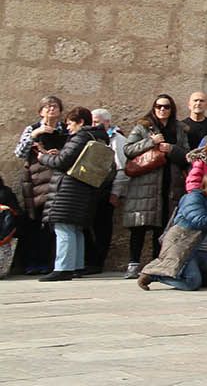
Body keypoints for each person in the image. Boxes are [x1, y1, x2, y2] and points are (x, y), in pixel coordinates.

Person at [136, 170, 207, 291]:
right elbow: (200, 222)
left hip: (204, 251)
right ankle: (154, 274)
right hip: (183, 246)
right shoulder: (193, 198)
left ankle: (196, 275)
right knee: (192, 283)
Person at [33, 107, 106, 282]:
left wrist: (43, 158)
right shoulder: (98, 136)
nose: (68, 128)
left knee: (63, 227)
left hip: (70, 189)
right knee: (75, 228)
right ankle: (76, 266)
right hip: (85, 188)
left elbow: (62, 161)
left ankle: (63, 268)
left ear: (80, 122)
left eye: (70, 123)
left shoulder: (81, 136)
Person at [122, 94, 183, 277]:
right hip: (144, 184)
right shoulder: (143, 126)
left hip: (169, 184)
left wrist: (171, 149)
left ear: (172, 109)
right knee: (139, 225)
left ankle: (157, 265)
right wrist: (151, 142)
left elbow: (186, 154)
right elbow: (128, 150)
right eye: (158, 106)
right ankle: (133, 265)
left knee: (163, 227)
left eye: (166, 107)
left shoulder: (179, 129)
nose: (162, 110)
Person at [14, 96, 66, 275]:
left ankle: (47, 263)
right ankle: (32, 262)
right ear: (40, 111)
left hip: (56, 180)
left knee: (52, 224)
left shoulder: (64, 129)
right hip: (35, 183)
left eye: (55, 107)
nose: (51, 109)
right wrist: (35, 135)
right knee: (34, 222)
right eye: (47, 107)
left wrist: (59, 153)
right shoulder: (32, 129)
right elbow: (20, 152)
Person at [88, 108, 127, 274]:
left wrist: (115, 193)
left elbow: (121, 168)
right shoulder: (90, 137)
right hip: (90, 189)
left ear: (107, 122)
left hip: (106, 190)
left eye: (97, 122)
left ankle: (97, 262)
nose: (93, 125)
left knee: (102, 227)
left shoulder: (117, 139)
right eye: (92, 121)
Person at [179, 91, 207, 183]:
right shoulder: (180, 126)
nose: (198, 103)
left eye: (201, 101)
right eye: (195, 100)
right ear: (189, 104)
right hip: (186, 170)